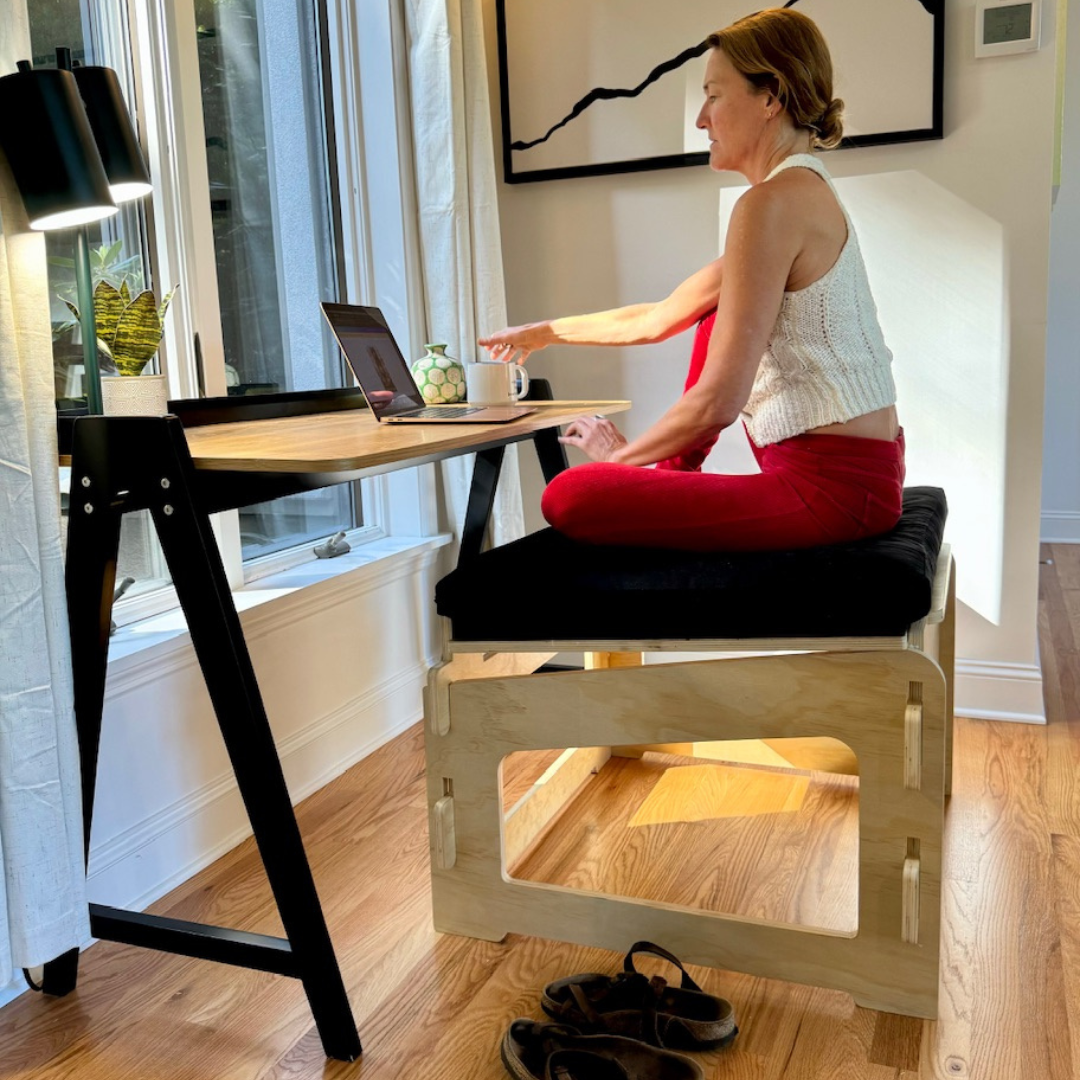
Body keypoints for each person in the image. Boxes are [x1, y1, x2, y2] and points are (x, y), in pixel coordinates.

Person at [479, 7, 904, 552]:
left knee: (568, 495)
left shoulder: (770, 204)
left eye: (713, 95)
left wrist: (621, 467)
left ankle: (662, 475)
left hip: (831, 491)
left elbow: (717, 403)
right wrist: (543, 332)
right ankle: (669, 473)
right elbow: (659, 317)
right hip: (865, 479)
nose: (702, 119)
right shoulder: (798, 194)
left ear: (770, 97)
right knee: (712, 312)